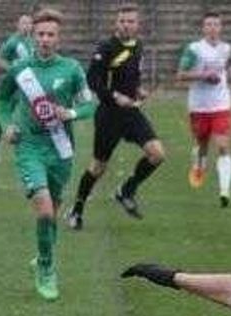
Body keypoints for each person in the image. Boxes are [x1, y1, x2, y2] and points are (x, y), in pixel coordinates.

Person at [0, 8, 95, 302]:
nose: (45, 39)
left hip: (61, 149)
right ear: (33, 36)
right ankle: (47, 269)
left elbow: (89, 105)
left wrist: (70, 113)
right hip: (29, 147)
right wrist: (7, 125)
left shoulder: (72, 69)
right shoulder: (20, 69)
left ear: (58, 38)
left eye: (51, 34)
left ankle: (42, 254)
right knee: (45, 210)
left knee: (53, 211)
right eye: (40, 34)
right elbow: (2, 100)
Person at [66, 3, 165, 230]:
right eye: (122, 21)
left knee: (157, 154)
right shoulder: (106, 47)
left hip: (131, 113)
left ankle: (126, 190)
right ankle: (77, 210)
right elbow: (93, 81)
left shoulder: (138, 46)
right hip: (109, 115)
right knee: (98, 167)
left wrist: (138, 90)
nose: (126, 25)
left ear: (137, 24)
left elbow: (133, 77)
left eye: (130, 21)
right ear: (116, 23)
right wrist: (115, 96)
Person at [176, 11, 231, 207]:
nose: (212, 28)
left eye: (216, 24)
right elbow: (180, 75)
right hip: (199, 106)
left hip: (221, 104)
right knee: (202, 145)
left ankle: (225, 191)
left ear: (221, 28)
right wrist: (204, 75)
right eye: (209, 25)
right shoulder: (194, 49)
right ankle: (199, 165)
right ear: (203, 28)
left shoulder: (226, 48)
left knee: (223, 145)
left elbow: (227, 67)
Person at [0, 13, 34, 164]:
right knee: (5, 116)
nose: (27, 26)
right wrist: (13, 69)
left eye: (29, 23)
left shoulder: (32, 41)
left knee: (31, 114)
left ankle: (30, 149)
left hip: (29, 84)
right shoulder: (13, 42)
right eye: (24, 23)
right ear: (18, 25)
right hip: (14, 86)